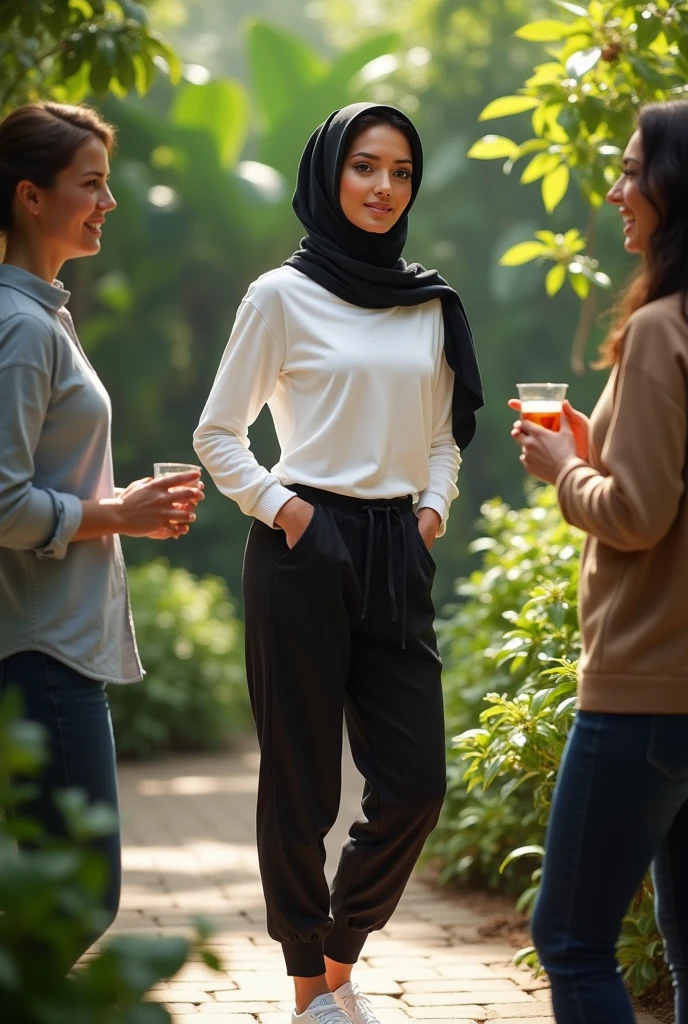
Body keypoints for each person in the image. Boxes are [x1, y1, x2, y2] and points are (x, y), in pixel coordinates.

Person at [194, 103, 483, 1024]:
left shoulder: (431, 301)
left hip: (398, 547)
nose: (383, 187)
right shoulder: (278, 295)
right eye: (366, 166)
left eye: (400, 172)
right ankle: (309, 992)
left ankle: (339, 951)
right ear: (330, 173)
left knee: (414, 785)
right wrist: (287, 512)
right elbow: (219, 432)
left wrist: (432, 511)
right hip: (302, 547)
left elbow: (442, 440)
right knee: (302, 783)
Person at [0, 101, 203, 965]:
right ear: (30, 197)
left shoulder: (42, 314)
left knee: (62, 895)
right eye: (90, 184)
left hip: (56, 646)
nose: (108, 202)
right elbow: (4, 503)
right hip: (40, 653)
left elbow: (36, 484)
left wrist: (121, 502)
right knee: (81, 897)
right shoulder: (18, 326)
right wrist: (117, 513)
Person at [510, 99, 688, 1024]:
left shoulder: (661, 329)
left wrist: (565, 465)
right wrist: (596, 444)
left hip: (643, 696)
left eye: (631, 171)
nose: (616, 190)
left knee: (572, 941)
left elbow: (639, 515)